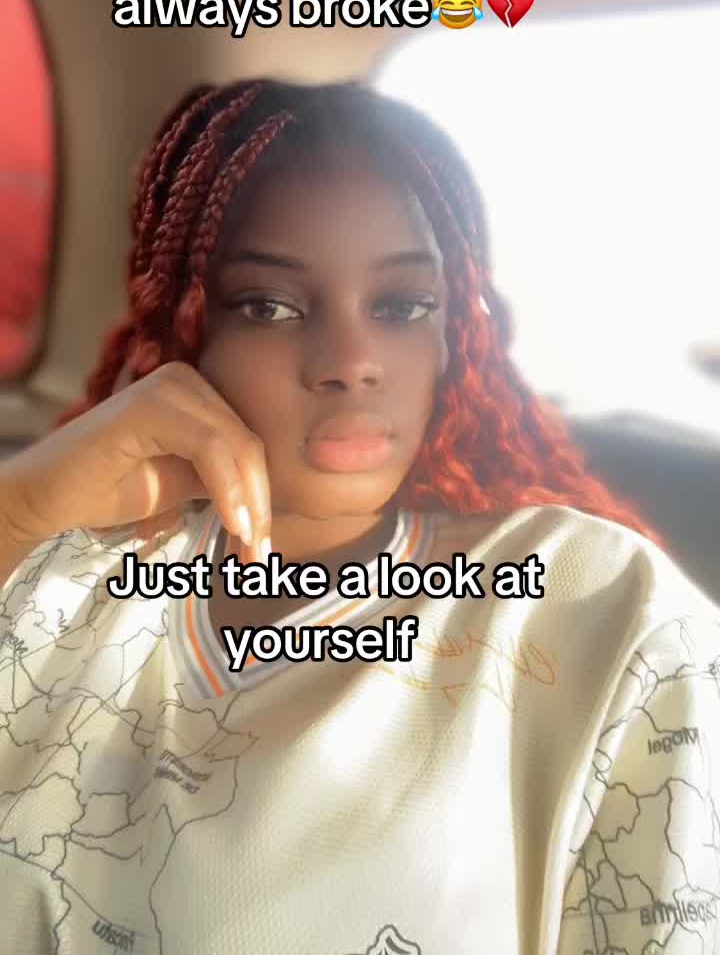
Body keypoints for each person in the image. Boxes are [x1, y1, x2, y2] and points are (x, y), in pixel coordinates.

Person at [0, 78, 718, 955]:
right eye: (268, 306)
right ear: (187, 328)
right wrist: (22, 504)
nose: (350, 361)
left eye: (402, 306)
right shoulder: (65, 566)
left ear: (454, 335)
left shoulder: (601, 604)